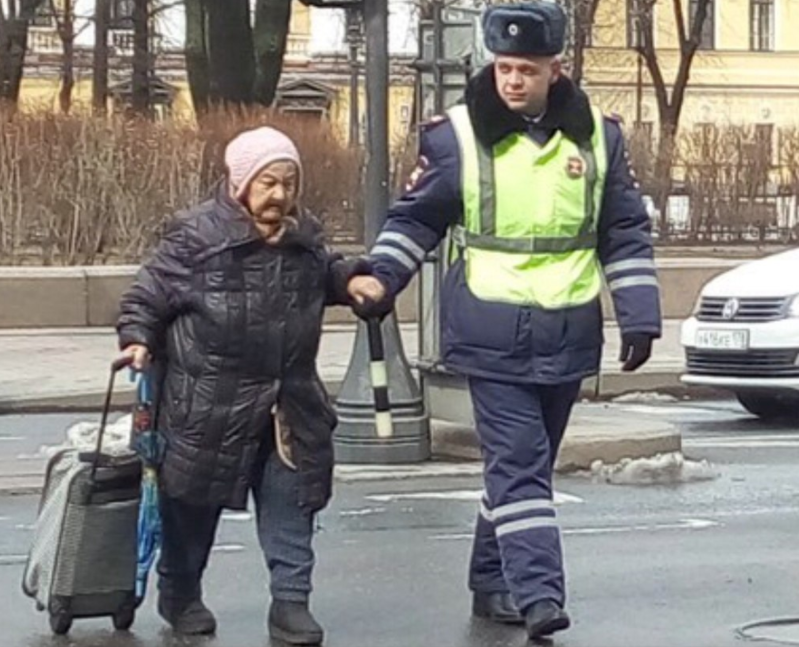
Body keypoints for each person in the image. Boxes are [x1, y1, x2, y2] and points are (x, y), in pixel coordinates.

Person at [346, 1, 662, 639]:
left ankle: (491, 582)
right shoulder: (456, 135)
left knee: (526, 470)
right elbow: (417, 218)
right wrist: (382, 274)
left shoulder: (600, 135)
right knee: (518, 465)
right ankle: (538, 594)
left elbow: (623, 229)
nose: (512, 80)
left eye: (526, 69)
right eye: (504, 67)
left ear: (556, 69)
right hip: (489, 332)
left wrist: (639, 315)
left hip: (568, 329)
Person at [117, 126, 371, 645]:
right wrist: (137, 339)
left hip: (287, 403)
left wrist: (353, 282)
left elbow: (328, 272)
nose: (279, 194)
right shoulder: (196, 238)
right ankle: (181, 592)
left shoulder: (306, 238)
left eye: (288, 182)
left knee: (292, 503)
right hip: (208, 404)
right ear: (240, 182)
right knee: (191, 509)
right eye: (267, 182)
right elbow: (147, 295)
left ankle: (291, 603)